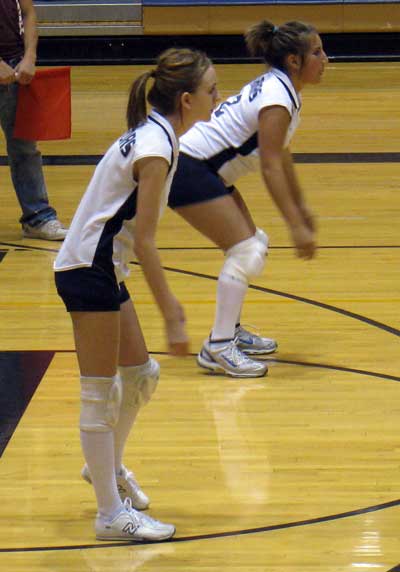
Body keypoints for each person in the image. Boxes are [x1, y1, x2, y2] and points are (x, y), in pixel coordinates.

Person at [54, 47, 218, 541]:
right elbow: (144, 240)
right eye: (213, 91)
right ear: (187, 100)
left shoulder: (157, 137)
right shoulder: (155, 150)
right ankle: (110, 514)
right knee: (98, 394)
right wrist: (172, 311)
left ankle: (106, 469)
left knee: (141, 375)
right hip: (90, 270)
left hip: (102, 267)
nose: (220, 97)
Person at [168, 20, 328, 378]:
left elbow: (281, 155)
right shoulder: (278, 98)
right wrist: (295, 226)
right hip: (189, 171)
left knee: (253, 244)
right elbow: (270, 166)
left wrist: (301, 209)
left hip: (203, 170)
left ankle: (229, 332)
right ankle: (219, 347)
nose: (325, 59)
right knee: (247, 251)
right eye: (317, 52)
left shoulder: (282, 90)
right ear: (294, 61)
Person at [0, 0, 67, 240]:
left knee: (25, 147)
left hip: (14, 68)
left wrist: (29, 56)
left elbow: (28, 12)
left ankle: (38, 217)